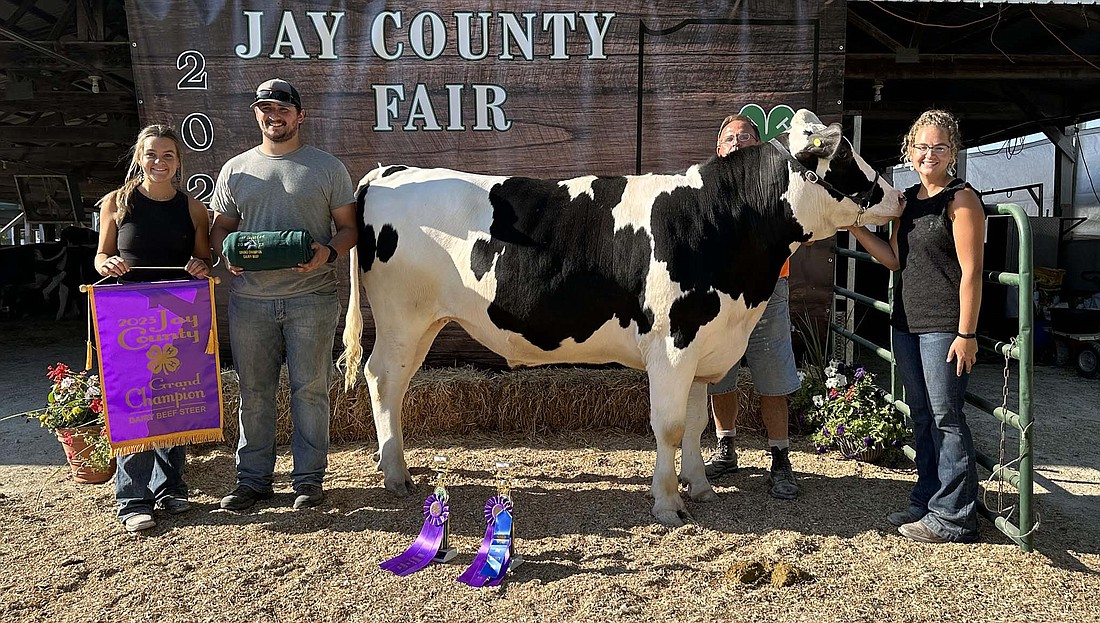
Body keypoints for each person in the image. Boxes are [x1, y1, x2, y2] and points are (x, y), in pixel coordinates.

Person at [209, 78, 357, 512]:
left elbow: (349, 228)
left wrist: (327, 253)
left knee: (310, 390)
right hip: (250, 300)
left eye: (283, 109)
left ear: (300, 115)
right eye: (265, 109)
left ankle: (308, 482)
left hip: (311, 298)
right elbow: (222, 227)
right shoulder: (235, 169)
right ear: (257, 114)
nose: (274, 116)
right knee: (254, 391)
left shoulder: (326, 168)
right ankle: (252, 482)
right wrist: (225, 254)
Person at [847, 109, 984, 543]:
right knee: (923, 416)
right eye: (922, 146)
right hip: (906, 322)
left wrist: (966, 334)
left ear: (953, 152)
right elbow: (894, 261)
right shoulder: (907, 201)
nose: (929, 154)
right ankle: (927, 498)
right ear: (910, 150)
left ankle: (956, 517)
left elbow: (972, 273)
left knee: (946, 417)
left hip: (944, 325)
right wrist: (855, 227)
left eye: (939, 147)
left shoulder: (961, 200)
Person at [94, 124, 212, 532]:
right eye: (151, 154)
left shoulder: (195, 209)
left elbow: (203, 262)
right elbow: (101, 256)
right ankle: (132, 499)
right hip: (129, 319)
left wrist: (201, 267)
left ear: (179, 162)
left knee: (175, 399)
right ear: (138, 157)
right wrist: (106, 265)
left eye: (167, 155)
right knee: (136, 404)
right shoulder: (116, 202)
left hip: (177, 317)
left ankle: (171, 487)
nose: (158, 162)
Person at [703, 114, 801, 500]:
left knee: (773, 374)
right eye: (730, 137)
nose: (737, 142)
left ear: (758, 147)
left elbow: (803, 230)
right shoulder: (705, 188)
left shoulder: (779, 185)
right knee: (719, 374)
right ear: (719, 149)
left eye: (745, 137)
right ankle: (726, 450)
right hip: (721, 296)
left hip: (768, 290)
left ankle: (780, 459)